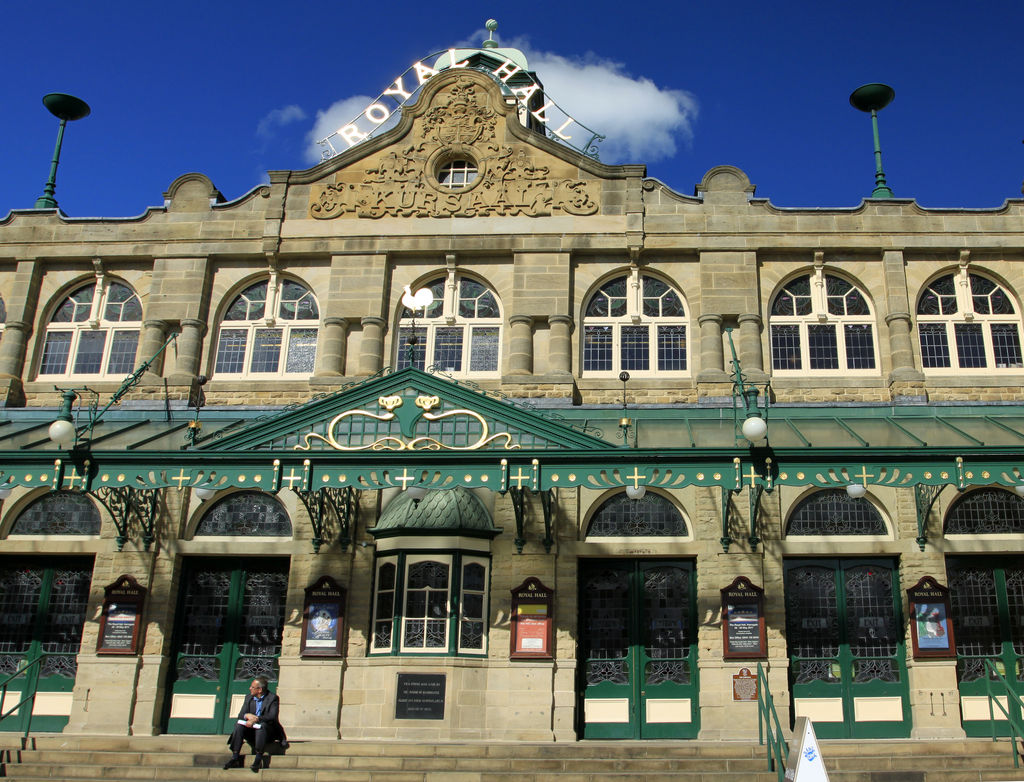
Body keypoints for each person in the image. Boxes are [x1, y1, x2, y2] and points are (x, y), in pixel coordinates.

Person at [223, 677, 286, 772]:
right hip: (251, 731)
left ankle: (258, 758)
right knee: (238, 725)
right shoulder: (249, 698)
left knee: (262, 726)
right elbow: (240, 715)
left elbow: (272, 716)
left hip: (267, 732)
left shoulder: (272, 698)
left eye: (252, 687)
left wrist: (256, 719)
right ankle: (235, 757)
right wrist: (246, 715)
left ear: (259, 689)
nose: (250, 688)